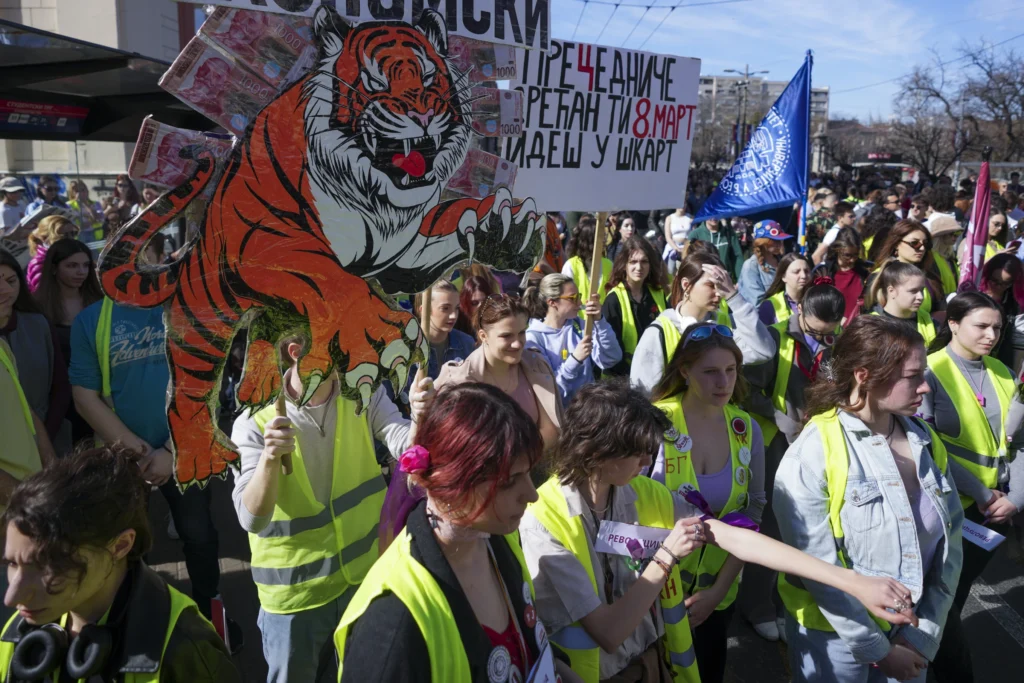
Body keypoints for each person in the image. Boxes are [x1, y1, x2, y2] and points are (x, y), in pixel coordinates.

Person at [523, 380, 920, 683]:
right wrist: (664, 559)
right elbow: (608, 632)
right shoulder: (543, 519)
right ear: (598, 451)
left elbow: (736, 537)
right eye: (639, 451)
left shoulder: (640, 491)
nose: (648, 459)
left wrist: (851, 581)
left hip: (650, 665)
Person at [333, 383, 580, 683]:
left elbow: (528, 644)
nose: (532, 495)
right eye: (509, 480)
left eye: (529, 473)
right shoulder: (393, 620)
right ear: (452, 484)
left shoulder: (494, 536)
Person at [231, 334, 434, 683]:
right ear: (296, 352)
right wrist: (268, 460)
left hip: (364, 580)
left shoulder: (363, 391)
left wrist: (419, 417)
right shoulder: (255, 420)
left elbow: (406, 449)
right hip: (295, 601)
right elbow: (251, 517)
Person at [774, 315, 964, 683]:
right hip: (833, 641)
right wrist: (878, 650)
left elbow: (949, 544)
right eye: (913, 376)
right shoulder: (813, 454)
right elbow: (818, 568)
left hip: (910, 636)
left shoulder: (926, 441)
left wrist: (922, 634)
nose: (925, 387)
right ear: (865, 376)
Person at [70, 258, 242, 648]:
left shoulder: (186, 311)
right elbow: (85, 397)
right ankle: (139, 617)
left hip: (185, 450)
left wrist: (171, 450)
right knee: (129, 544)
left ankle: (208, 609)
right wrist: (141, 452)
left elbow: (211, 383)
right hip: (123, 457)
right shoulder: (91, 321)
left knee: (198, 533)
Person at [0, 445, 240, 682]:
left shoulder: (185, 649)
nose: (11, 598)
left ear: (120, 546)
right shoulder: (19, 631)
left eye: (46, 567)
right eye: (11, 563)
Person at [921, 292, 1023, 683]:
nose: (991, 335)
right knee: (942, 601)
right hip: (949, 507)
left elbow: (1019, 441)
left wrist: (1016, 498)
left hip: (995, 510)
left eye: (997, 327)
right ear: (952, 324)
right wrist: (981, 493)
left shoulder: (1001, 370)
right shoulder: (928, 371)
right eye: (981, 325)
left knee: (950, 599)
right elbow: (925, 442)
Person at [630, 252, 775, 395]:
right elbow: (642, 394)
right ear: (686, 285)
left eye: (722, 285)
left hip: (719, 417)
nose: (719, 293)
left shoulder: (725, 325)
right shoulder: (659, 331)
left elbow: (764, 351)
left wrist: (733, 296)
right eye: (711, 285)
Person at [436, 294, 561, 451]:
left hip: (533, 468)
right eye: (506, 336)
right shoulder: (459, 381)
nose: (517, 344)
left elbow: (550, 430)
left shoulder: (535, 364)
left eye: (522, 332)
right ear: (483, 336)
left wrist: (520, 464)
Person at [32, 238, 103, 446]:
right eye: (72, 266)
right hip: (59, 400)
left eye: (85, 265)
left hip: (99, 393)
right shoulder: (38, 307)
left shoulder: (100, 302)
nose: (81, 272)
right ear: (54, 268)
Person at [0, 249, 70, 448]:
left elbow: (60, 387)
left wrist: (44, 442)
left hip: (51, 443)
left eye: (11, 281)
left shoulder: (38, 324)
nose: (5, 290)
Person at [524, 274, 622, 405]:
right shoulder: (534, 338)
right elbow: (550, 391)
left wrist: (599, 321)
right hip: (560, 416)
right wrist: (575, 360)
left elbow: (611, 358)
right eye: (573, 298)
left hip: (587, 410)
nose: (580, 303)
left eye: (579, 296)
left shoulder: (579, 325)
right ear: (552, 302)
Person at [0, 337, 53, 515]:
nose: (9, 306)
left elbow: (25, 409)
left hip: (27, 511)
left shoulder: (2, 346)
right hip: (19, 512)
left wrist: (54, 472)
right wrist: (32, 503)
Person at [602, 236, 668, 375]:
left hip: (656, 373)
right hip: (623, 379)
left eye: (644, 261)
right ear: (624, 265)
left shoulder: (658, 294)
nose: (639, 267)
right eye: (633, 262)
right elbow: (611, 351)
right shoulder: (614, 300)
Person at [870, 221, 944, 319]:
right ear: (896, 244)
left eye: (926, 244)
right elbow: (870, 311)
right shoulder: (879, 276)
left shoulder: (931, 277)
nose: (922, 248)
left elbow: (940, 310)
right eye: (914, 243)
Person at [866, 261, 937, 346]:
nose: (920, 297)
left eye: (921, 290)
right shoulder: (871, 326)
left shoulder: (930, 322)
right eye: (913, 291)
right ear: (891, 291)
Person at [815, 228, 870, 325]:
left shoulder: (864, 272)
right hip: (829, 326)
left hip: (857, 328)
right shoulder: (824, 271)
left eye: (856, 255)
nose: (852, 260)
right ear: (837, 250)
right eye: (847, 255)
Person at [978, 254, 1023, 369]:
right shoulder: (973, 293)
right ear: (987, 274)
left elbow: (1018, 344)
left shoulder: (1016, 305)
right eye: (995, 281)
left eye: (1006, 283)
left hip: (1000, 362)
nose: (999, 286)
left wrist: (1015, 377)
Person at [738, 221, 793, 306]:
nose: (779, 244)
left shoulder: (782, 260)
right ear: (762, 242)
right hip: (766, 317)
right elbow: (757, 301)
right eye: (774, 240)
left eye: (780, 240)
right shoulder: (750, 266)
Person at [564, 216, 614, 307]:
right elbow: (565, 298)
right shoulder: (570, 265)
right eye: (601, 237)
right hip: (578, 319)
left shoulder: (609, 264)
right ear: (589, 240)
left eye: (604, 236)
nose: (605, 240)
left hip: (602, 319)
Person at [25, 214, 79, 293]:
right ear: (44, 238)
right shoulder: (39, 264)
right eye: (63, 236)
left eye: (73, 233)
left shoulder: (72, 255)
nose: (71, 239)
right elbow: (45, 296)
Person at [757, 253, 812, 325]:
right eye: (796, 272)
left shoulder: (817, 300)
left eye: (806, 271)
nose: (803, 276)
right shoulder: (769, 305)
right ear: (783, 277)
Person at [925, 216, 961, 298]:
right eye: (952, 233)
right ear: (940, 235)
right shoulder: (930, 258)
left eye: (958, 233)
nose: (955, 237)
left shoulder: (951, 257)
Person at [455, 274, 494, 338]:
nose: (481, 306)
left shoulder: (497, 318)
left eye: (484, 301)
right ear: (465, 303)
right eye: (474, 303)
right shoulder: (458, 323)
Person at [662, 207, 693, 275]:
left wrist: (686, 247)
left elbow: (693, 235)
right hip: (673, 247)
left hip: (686, 247)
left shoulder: (690, 218)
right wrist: (676, 248)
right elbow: (668, 237)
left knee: (686, 271)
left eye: (684, 203)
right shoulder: (669, 218)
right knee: (670, 271)